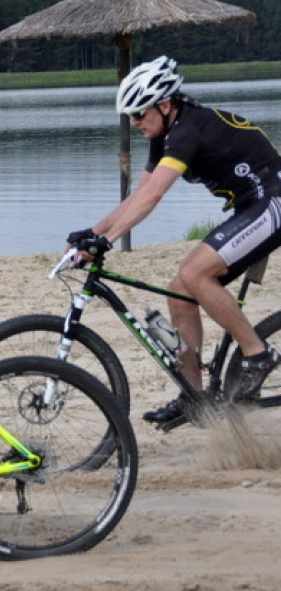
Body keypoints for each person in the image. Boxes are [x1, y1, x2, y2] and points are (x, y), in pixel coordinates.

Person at [68, 55, 281, 426]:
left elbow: (154, 197)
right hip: (249, 206)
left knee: (196, 272)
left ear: (164, 105)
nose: (135, 123)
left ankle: (258, 354)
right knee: (179, 291)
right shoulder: (164, 133)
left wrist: (108, 241)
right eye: (131, 117)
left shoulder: (187, 131)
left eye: (139, 114)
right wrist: (95, 232)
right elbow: (139, 194)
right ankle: (194, 395)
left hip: (273, 201)